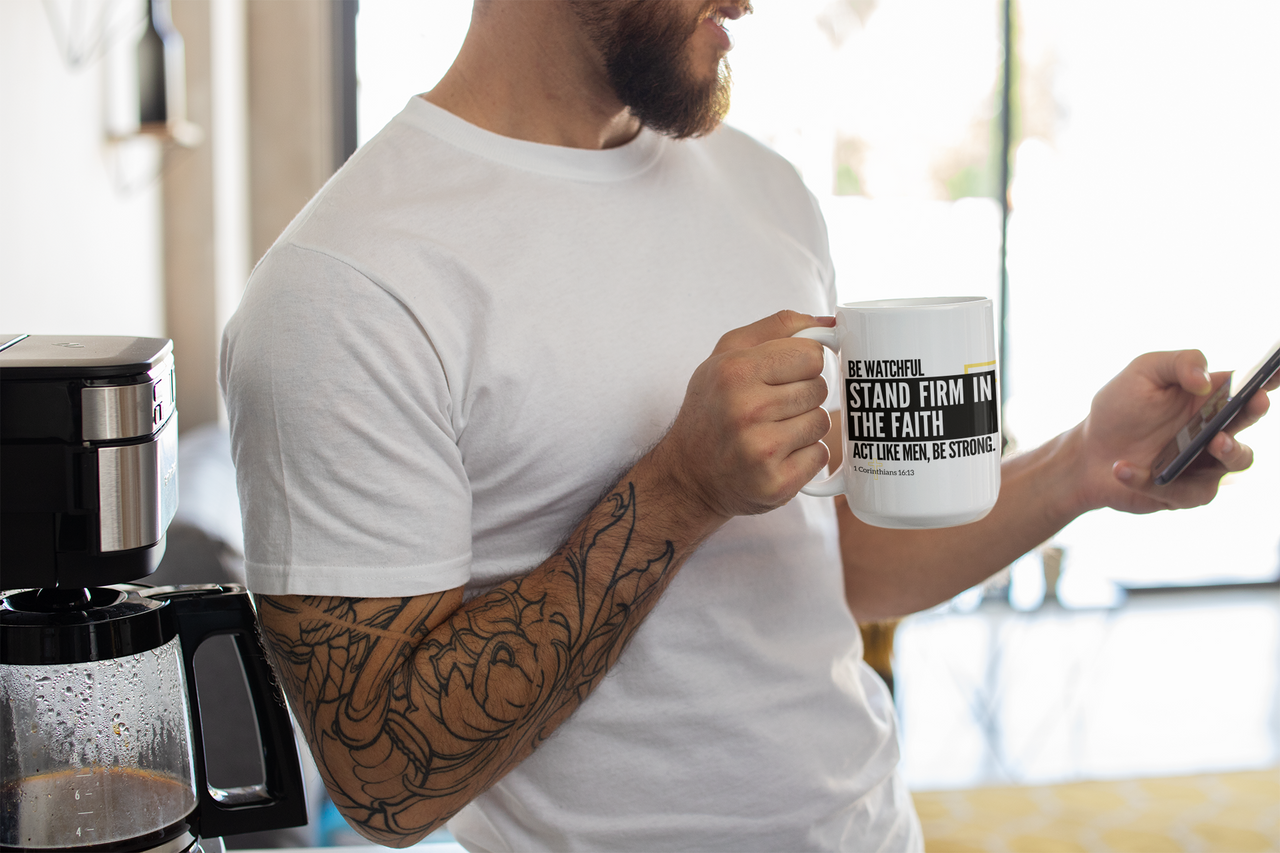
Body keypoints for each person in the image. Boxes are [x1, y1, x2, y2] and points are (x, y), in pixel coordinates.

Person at [219, 2, 1275, 850]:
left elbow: (838, 566)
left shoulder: (763, 189)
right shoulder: (345, 285)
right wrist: (677, 489)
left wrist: (1085, 466)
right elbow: (384, 782)